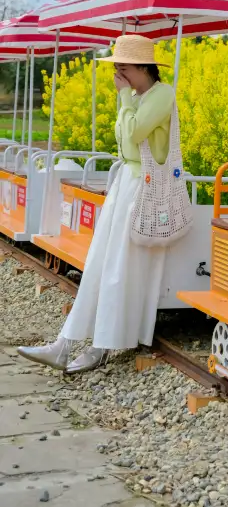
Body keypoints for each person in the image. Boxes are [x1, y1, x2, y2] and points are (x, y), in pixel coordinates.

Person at [18, 34, 175, 374]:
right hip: (127, 185)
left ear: (142, 67)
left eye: (123, 68)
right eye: (117, 68)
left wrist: (124, 98)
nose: (118, 75)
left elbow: (133, 136)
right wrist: (127, 99)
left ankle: (102, 346)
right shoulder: (135, 97)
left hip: (144, 189)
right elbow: (124, 140)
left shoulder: (161, 95)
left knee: (119, 270)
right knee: (99, 266)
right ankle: (65, 343)